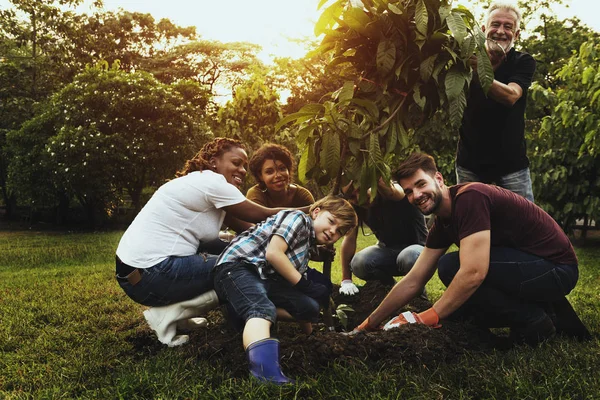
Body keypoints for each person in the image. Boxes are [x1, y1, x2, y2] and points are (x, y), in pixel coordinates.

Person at [351, 152, 590, 345]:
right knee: (456, 299)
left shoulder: (470, 198)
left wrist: (427, 317)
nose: (416, 195)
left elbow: (474, 272)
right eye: (409, 192)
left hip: (556, 269)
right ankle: (541, 314)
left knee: (452, 267)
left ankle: (534, 321)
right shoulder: (443, 221)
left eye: (420, 184)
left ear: (439, 179)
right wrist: (370, 323)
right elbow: (414, 278)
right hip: (531, 269)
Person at [115, 138, 289, 347]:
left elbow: (249, 230)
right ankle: (169, 315)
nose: (242, 170)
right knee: (238, 268)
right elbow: (263, 214)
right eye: (236, 163)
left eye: (244, 165)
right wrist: (314, 210)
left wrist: (283, 245)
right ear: (214, 161)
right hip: (152, 274)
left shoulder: (201, 184)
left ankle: (181, 316)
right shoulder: (213, 183)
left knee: (234, 254)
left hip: (136, 274)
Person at [213, 195, 357, 384]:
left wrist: (310, 336)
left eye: (339, 231)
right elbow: (273, 254)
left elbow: (292, 281)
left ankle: (239, 308)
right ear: (316, 212)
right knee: (261, 308)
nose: (332, 231)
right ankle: (266, 375)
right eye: (331, 222)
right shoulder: (297, 218)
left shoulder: (307, 244)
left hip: (266, 278)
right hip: (238, 267)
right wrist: (305, 285)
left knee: (310, 308)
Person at [457, 1, 536, 202]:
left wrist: (479, 71)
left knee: (524, 227)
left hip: (512, 167)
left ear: (516, 35)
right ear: (484, 30)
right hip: (470, 165)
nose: (500, 31)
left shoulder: (523, 61)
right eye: (495, 24)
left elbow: (510, 96)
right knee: (470, 223)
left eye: (508, 27)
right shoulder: (463, 60)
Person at [338, 179, 428, 297]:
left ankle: (418, 296)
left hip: (419, 251)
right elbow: (349, 239)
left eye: (361, 190)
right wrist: (346, 280)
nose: (360, 198)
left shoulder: (392, 191)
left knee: (408, 256)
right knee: (359, 263)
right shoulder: (356, 206)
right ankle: (389, 289)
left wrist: (372, 170)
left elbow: (393, 191)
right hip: (388, 251)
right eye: (352, 196)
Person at [246, 143, 314, 208]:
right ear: (260, 176)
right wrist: (305, 209)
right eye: (269, 172)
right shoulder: (255, 194)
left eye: (282, 169)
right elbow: (258, 216)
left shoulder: (302, 195)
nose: (278, 175)